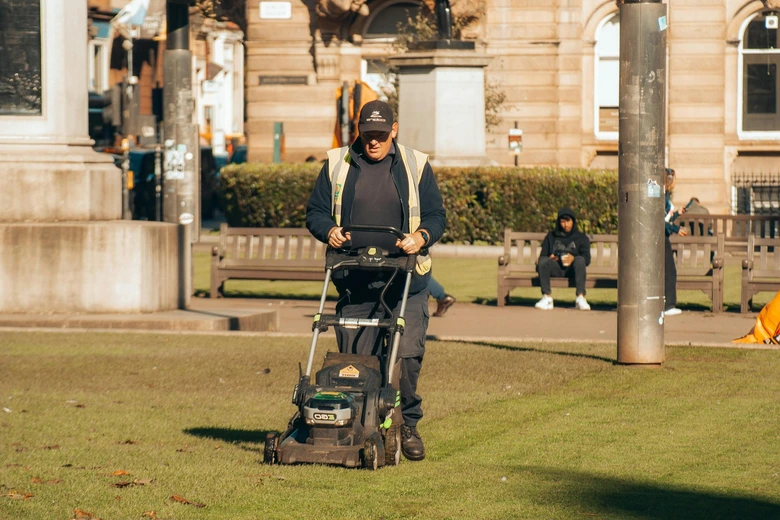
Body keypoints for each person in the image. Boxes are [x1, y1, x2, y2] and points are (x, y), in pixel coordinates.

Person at [306, 100, 446, 462]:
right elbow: (316, 212)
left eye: (381, 136)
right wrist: (330, 231)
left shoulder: (416, 164)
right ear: (358, 130)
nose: (373, 142)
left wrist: (422, 236)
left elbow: (435, 215)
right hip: (355, 278)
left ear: (394, 131)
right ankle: (352, 426)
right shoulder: (337, 164)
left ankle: (408, 425)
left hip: (406, 278)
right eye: (367, 135)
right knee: (355, 360)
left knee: (408, 354)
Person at [534, 208, 592, 311]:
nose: (565, 225)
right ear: (559, 222)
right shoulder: (551, 236)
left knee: (580, 260)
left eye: (568, 221)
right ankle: (547, 298)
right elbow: (543, 256)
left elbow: (587, 259)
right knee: (542, 261)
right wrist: (550, 258)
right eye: (562, 222)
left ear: (573, 221)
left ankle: (580, 298)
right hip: (556, 268)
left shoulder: (581, 237)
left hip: (573, 270)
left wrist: (573, 258)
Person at [664, 168, 689, 316]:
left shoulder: (663, 195)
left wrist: (677, 214)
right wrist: (675, 228)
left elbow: (664, 219)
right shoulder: (660, 195)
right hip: (661, 238)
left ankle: (667, 304)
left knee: (668, 270)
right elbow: (657, 220)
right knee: (669, 271)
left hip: (662, 236)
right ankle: (668, 305)